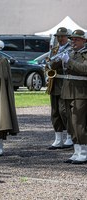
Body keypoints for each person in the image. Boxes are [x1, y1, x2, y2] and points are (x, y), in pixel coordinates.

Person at [55, 29, 87, 164]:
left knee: (78, 122)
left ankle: (84, 152)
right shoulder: (70, 53)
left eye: (76, 40)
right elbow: (53, 67)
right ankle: (76, 151)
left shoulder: (85, 54)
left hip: (80, 92)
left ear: (84, 41)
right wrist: (57, 60)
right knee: (71, 123)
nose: (72, 42)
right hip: (67, 91)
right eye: (72, 39)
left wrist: (68, 61)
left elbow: (84, 69)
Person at [45, 27, 73, 150]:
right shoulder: (55, 49)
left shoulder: (71, 49)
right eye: (58, 36)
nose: (60, 39)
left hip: (65, 82)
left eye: (62, 36)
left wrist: (57, 62)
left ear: (68, 37)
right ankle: (58, 139)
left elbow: (68, 64)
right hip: (54, 82)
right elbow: (48, 64)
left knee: (64, 110)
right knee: (55, 112)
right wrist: (47, 74)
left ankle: (70, 137)